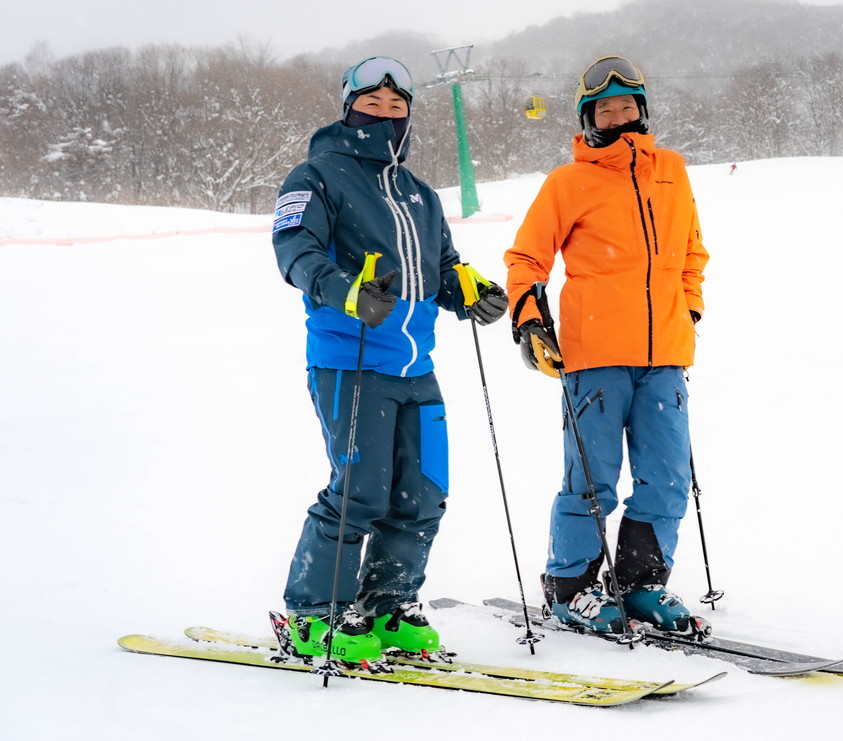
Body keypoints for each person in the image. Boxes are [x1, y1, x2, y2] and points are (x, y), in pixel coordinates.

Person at [271, 55, 508, 662]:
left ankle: (388, 605)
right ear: (349, 108)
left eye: (395, 105)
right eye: (371, 103)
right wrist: (344, 290)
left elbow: (444, 265)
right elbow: (294, 250)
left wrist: (470, 290)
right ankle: (312, 615)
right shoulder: (314, 176)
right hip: (349, 362)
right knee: (359, 493)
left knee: (424, 494)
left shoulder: (419, 194)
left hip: (415, 368)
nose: (383, 112)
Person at [504, 55, 709, 635]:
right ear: (587, 116)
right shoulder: (568, 183)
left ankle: (642, 584)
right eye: (604, 108)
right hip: (593, 357)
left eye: (626, 106)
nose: (617, 116)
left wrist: (689, 306)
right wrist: (529, 319)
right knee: (591, 480)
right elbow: (526, 258)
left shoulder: (672, 170)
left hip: (665, 355)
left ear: (641, 110)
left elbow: (693, 250)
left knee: (667, 476)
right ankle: (570, 587)